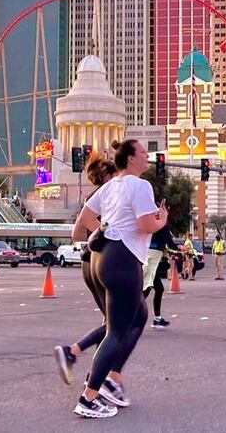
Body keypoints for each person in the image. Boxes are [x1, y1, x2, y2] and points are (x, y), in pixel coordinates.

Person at [72, 139, 167, 419]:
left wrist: (104, 228)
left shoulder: (111, 186)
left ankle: (111, 378)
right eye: (143, 152)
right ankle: (89, 397)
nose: (148, 155)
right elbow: (147, 225)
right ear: (131, 159)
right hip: (124, 260)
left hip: (103, 256)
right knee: (116, 331)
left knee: (138, 317)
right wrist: (162, 219)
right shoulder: (141, 186)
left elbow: (83, 221)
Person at [54, 154, 117, 385]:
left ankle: (93, 374)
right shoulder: (108, 195)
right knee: (117, 325)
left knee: (112, 322)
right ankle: (73, 353)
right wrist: (106, 234)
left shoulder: (94, 196)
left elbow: (75, 234)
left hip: (89, 261)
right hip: (103, 260)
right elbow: (89, 223)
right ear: (109, 176)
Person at [144, 224, 175, 329]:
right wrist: (181, 248)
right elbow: (171, 244)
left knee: (158, 288)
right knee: (146, 288)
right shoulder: (161, 227)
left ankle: (157, 319)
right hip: (153, 258)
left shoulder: (147, 225)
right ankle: (126, 319)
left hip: (145, 255)